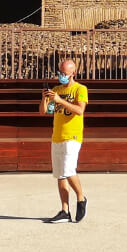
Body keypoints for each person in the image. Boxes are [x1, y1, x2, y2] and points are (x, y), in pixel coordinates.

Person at [40, 59, 88, 223]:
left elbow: (79, 110)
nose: (61, 76)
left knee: (68, 170)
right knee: (60, 174)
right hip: (57, 135)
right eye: (60, 73)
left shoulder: (80, 89)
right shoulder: (56, 89)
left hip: (72, 135)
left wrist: (61, 100)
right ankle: (64, 210)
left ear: (73, 73)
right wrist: (45, 99)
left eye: (65, 73)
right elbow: (44, 112)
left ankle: (81, 198)